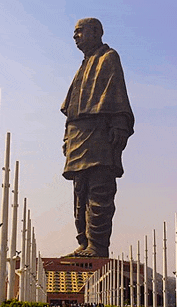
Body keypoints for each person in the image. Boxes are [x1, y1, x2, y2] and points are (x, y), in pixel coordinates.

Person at [61, 17, 134, 258]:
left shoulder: (108, 57)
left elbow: (117, 94)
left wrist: (120, 125)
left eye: (79, 31)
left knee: (99, 190)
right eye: (74, 32)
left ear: (96, 32)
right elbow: (71, 108)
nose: (75, 36)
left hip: (100, 133)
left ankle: (98, 246)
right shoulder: (83, 65)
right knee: (80, 191)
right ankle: (84, 242)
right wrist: (66, 137)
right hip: (78, 135)